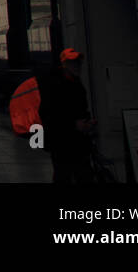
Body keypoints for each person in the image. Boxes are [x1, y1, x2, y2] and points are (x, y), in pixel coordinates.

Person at [38, 48, 96, 183]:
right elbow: (48, 114)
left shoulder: (76, 83)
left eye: (78, 62)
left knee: (82, 174)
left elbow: (81, 109)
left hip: (77, 140)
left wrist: (87, 122)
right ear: (64, 64)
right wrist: (74, 124)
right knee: (64, 175)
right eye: (72, 63)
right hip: (61, 142)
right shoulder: (54, 85)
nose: (76, 66)